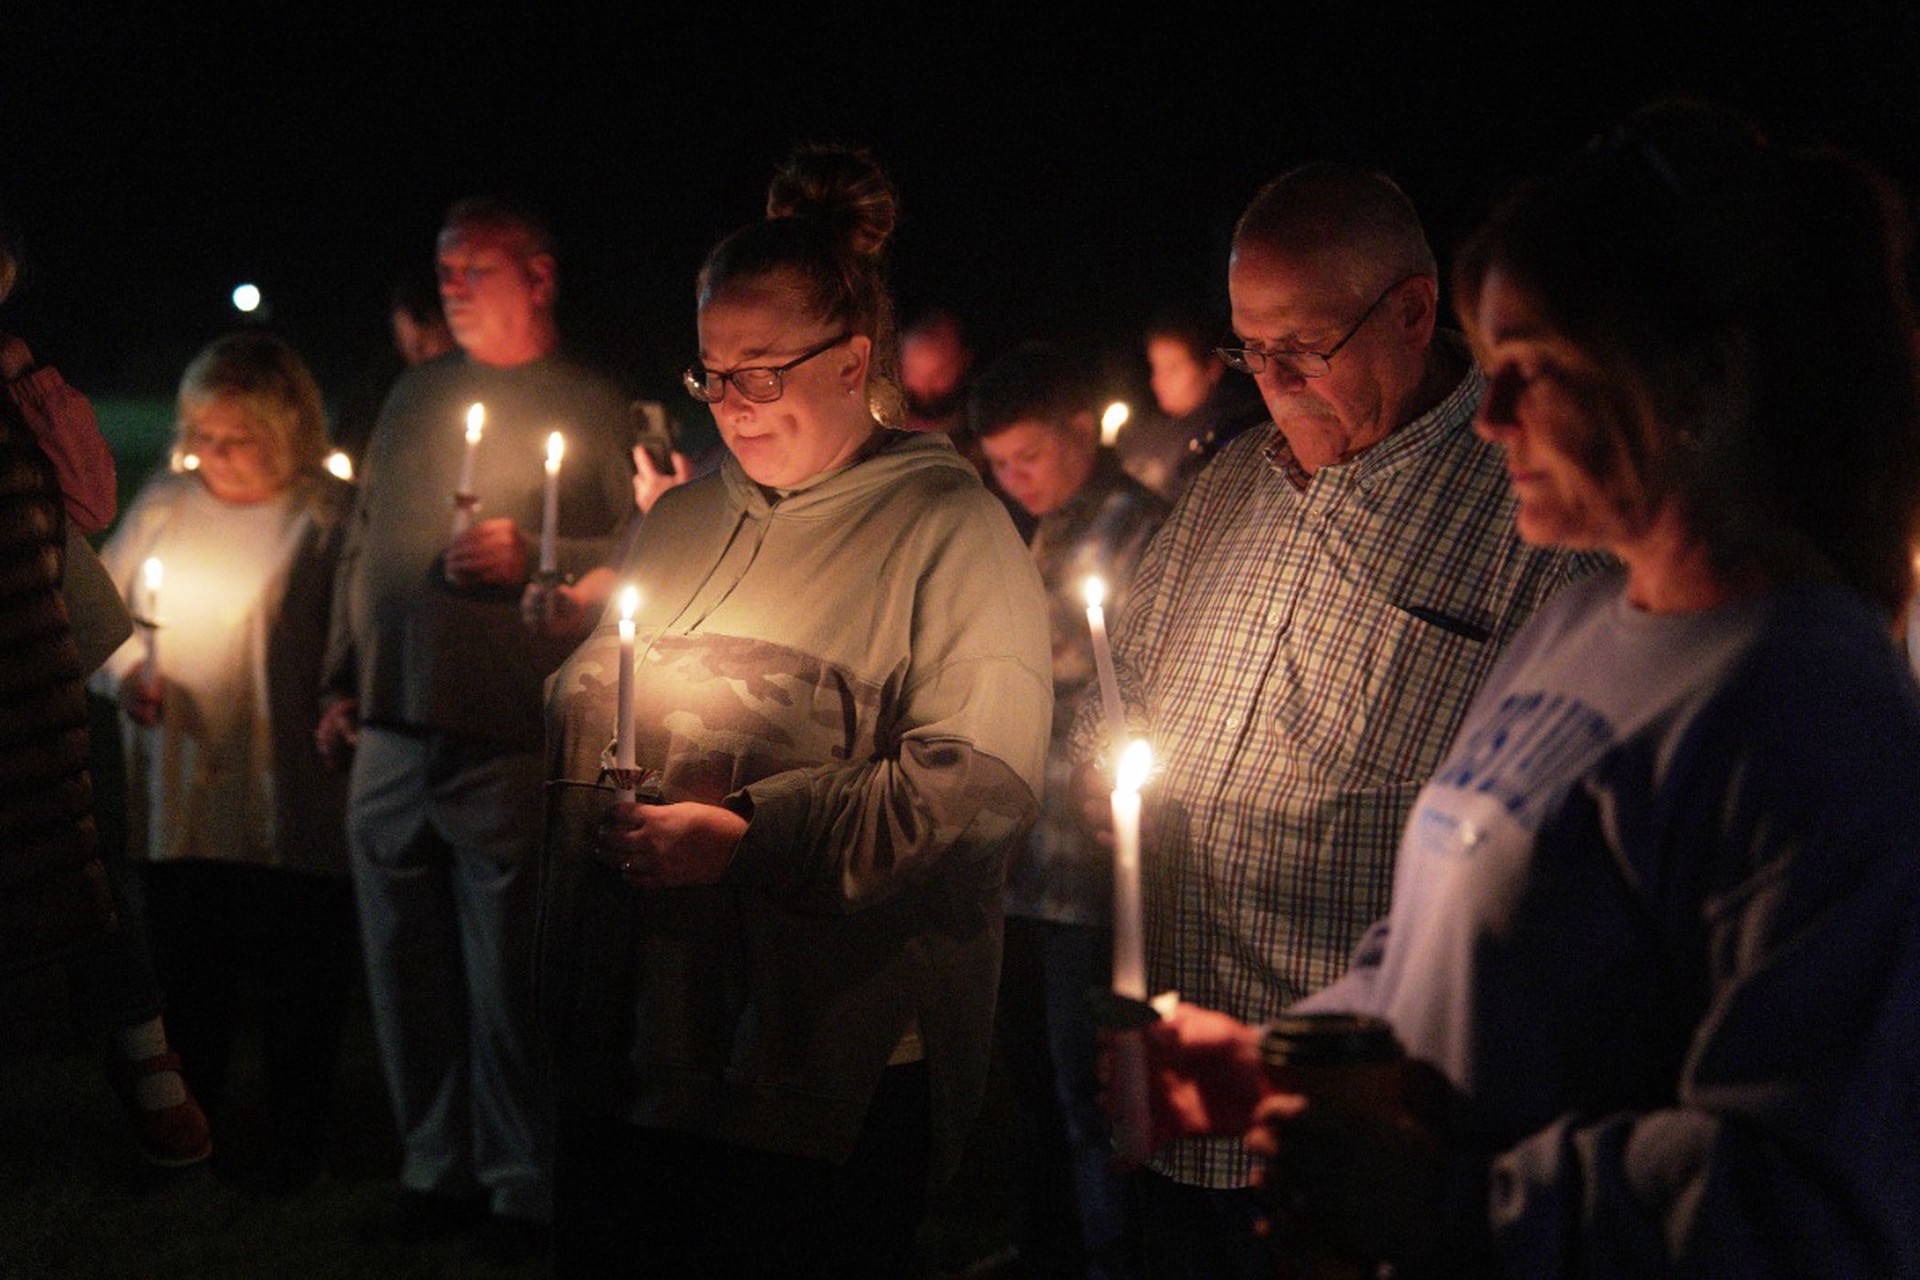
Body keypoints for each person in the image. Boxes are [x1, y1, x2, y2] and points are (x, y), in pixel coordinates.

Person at [1142, 102, 1920, 1277]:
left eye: (1534, 371)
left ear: (1704, 377)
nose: (1489, 418)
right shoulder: (1581, 622)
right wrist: (1284, 1060)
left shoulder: (1809, 712)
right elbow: (1442, 942)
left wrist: (1460, 1202)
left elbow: (1810, 1199)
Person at [1067, 162, 1598, 1275]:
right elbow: (1121, 696)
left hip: (1359, 1155)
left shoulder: (1528, 521)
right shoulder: (1227, 490)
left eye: (1301, 348)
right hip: (1182, 1101)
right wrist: (1087, 767)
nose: (1269, 381)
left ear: (1412, 310)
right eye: (1247, 349)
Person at [536, 143, 1052, 1279]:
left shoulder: (947, 528)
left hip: (827, 1055)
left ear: (853, 360)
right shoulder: (681, 520)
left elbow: (975, 787)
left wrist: (755, 834)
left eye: (761, 372)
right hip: (648, 1037)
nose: (731, 404)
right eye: (713, 374)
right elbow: (591, 690)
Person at [318, 196, 633, 1258]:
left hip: (504, 723)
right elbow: (364, 537)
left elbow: (638, 544)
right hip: (392, 723)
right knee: (401, 960)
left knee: (508, 972)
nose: (450, 286)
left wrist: (539, 556)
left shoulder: (586, 400)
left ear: (539, 277)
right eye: (443, 269)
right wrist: (340, 672)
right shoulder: (415, 394)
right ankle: (431, 1160)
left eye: (474, 269)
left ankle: (517, 1178)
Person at [92, 331, 354, 1190]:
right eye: (201, 434)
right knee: (188, 982)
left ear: (286, 433)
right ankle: (191, 1139)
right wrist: (130, 676)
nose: (213, 454)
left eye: (235, 438)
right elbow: (104, 622)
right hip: (183, 797)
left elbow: (360, 641)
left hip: (291, 796)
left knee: (298, 987)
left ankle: (295, 1150)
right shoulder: (166, 502)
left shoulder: (327, 515)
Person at [1, 215, 210, 1170]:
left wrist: (21, 375)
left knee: (78, 858)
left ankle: (143, 1058)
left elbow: (86, 501)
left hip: (34, 682)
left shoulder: (14, 387)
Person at [970, 341, 1166, 1278]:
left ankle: (1108, 1254)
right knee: (1032, 1090)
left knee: (1088, 1087)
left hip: (1086, 872)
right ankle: (1048, 1245)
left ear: (1081, 431)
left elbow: (1117, 671)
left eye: (1030, 458)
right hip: (1022, 863)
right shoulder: (1034, 526)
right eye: (1000, 466)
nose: (1015, 480)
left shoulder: (1141, 527)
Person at [1115, 303, 1266, 503]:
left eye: (1172, 368)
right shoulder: (1144, 431)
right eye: (1156, 368)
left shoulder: (1230, 436)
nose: (1157, 380)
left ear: (1212, 368)